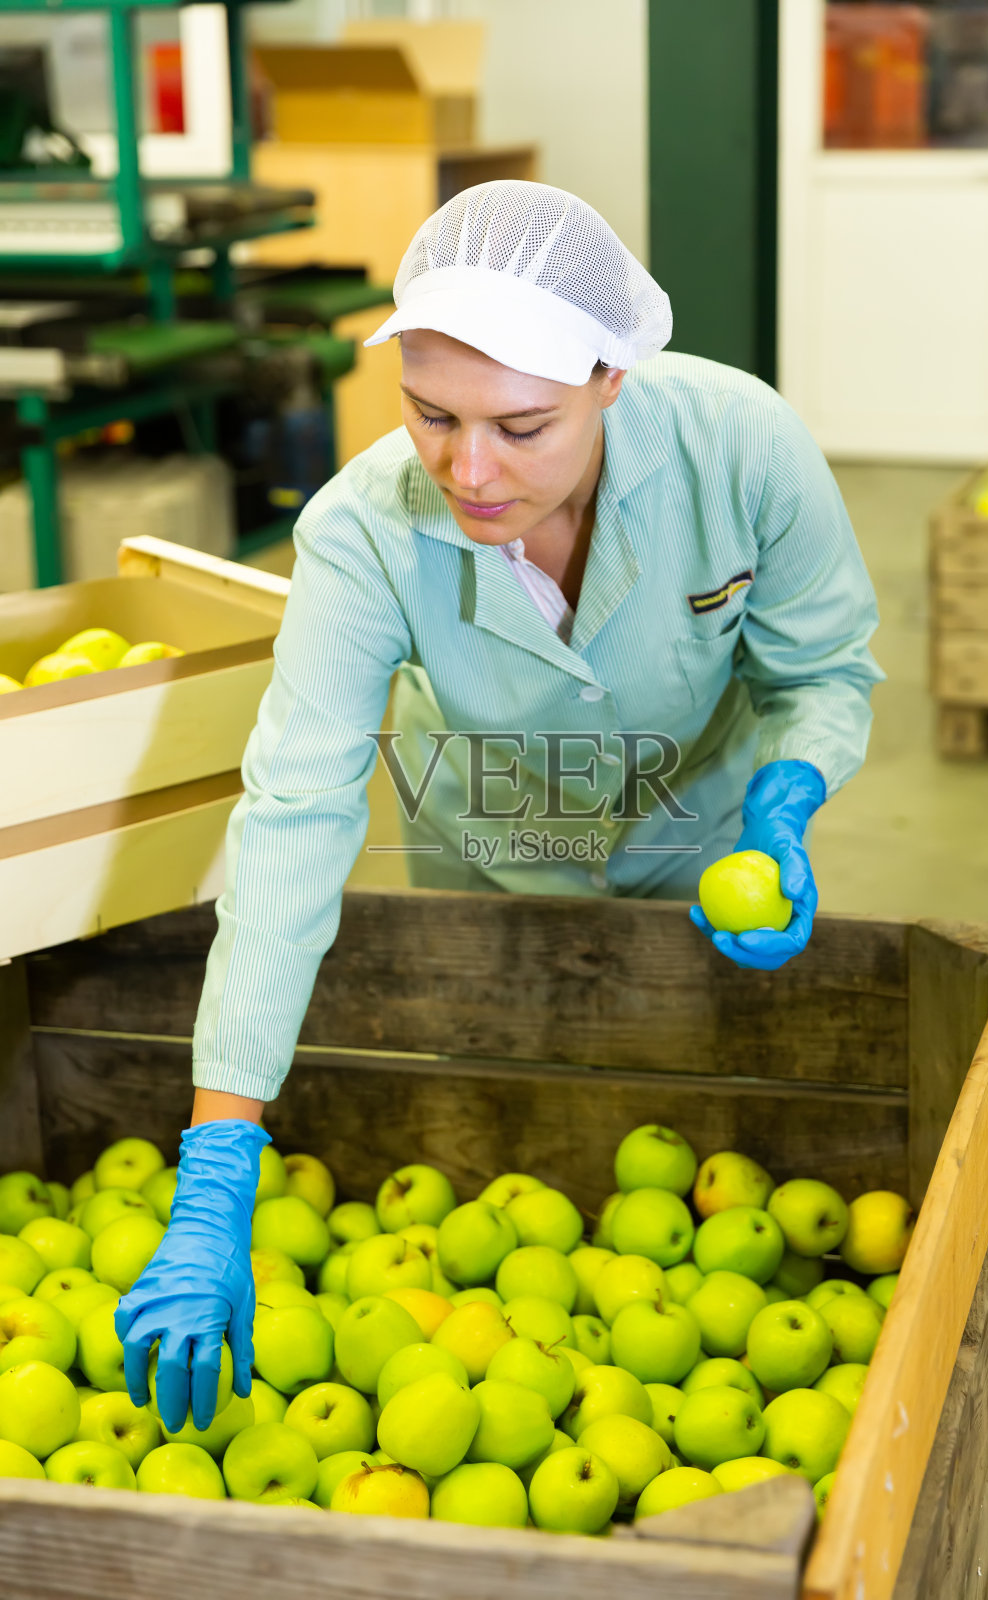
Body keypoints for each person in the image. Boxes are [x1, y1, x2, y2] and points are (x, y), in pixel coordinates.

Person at [115, 181, 881, 1431]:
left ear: (610, 379)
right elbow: (295, 808)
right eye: (430, 416)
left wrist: (782, 808)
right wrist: (215, 1164)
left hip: (704, 835)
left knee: (708, 1140)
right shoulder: (363, 533)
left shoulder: (739, 448)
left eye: (522, 426)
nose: (469, 471)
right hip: (486, 843)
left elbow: (819, 670)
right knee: (509, 1128)